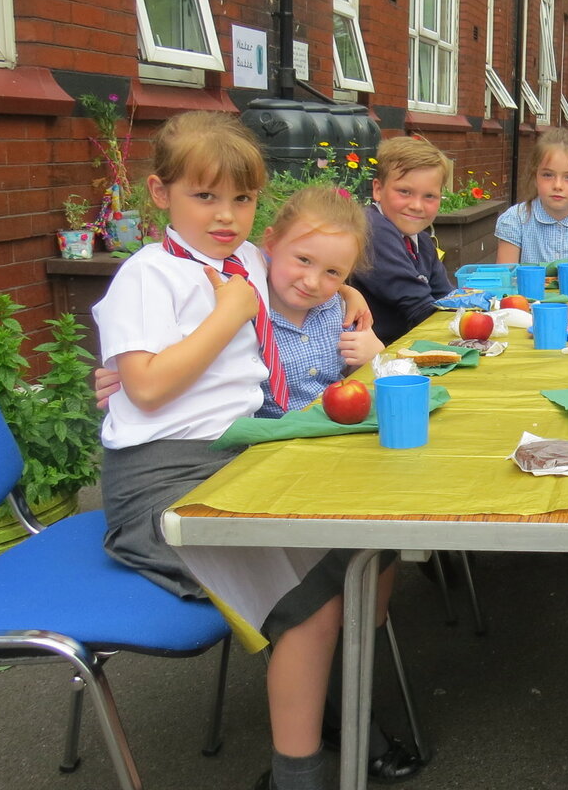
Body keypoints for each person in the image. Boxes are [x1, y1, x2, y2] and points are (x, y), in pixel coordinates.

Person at [92, 112, 414, 790]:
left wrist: (349, 290)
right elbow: (148, 388)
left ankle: (335, 712)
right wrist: (227, 318)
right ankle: (298, 770)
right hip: (164, 486)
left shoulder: (238, 261)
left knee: (354, 541)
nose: (225, 216)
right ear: (159, 193)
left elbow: (305, 270)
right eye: (204, 197)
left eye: (241, 199)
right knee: (313, 594)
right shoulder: (148, 276)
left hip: (233, 457)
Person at [256, 185, 385, 418]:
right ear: (272, 243)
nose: (312, 282)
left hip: (334, 429)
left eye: (333, 272)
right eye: (304, 260)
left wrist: (373, 357)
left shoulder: (340, 312)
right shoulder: (248, 314)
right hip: (272, 443)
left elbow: (352, 376)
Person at [353, 135, 455, 344]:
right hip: (372, 355)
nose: (417, 205)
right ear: (378, 190)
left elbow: (446, 299)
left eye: (429, 196)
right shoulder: (372, 230)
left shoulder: (423, 243)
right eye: (405, 192)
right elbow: (418, 306)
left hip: (406, 344)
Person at [495, 127, 568, 285]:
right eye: (548, 175)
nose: (557, 185)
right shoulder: (514, 220)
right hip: (527, 307)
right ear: (535, 176)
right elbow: (505, 284)